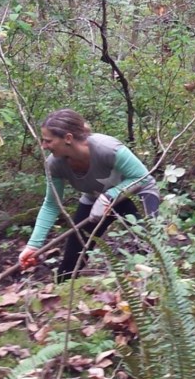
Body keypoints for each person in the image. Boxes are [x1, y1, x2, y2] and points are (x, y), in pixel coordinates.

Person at [18, 109, 160, 281]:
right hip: (95, 201)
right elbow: (52, 204)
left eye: (48, 140)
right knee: (72, 256)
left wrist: (110, 196)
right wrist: (33, 245)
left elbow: (142, 177)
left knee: (149, 247)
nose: (43, 146)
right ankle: (65, 290)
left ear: (68, 138)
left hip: (138, 193)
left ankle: (154, 288)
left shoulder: (106, 148)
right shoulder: (54, 164)